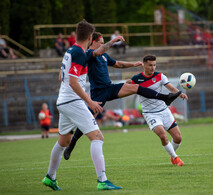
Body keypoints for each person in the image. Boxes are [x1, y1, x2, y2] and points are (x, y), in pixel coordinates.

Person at [63, 32, 182, 160]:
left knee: (136, 88)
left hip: (110, 88)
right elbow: (98, 52)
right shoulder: (89, 54)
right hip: (99, 93)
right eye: (101, 42)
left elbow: (118, 64)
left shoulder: (104, 55)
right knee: (88, 119)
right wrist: (113, 41)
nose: (103, 45)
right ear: (93, 42)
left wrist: (133, 64)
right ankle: (72, 144)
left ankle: (165, 98)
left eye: (104, 42)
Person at [42, 20, 122, 191]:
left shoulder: (72, 51)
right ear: (89, 37)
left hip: (62, 101)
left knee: (64, 141)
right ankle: (102, 180)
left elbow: (61, 77)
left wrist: (112, 42)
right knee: (97, 137)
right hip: (73, 101)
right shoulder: (79, 53)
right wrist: (89, 101)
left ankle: (50, 177)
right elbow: (72, 82)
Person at [127, 54, 188, 166]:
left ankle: (172, 156)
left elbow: (170, 87)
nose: (153, 67)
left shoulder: (160, 76)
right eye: (150, 65)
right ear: (144, 65)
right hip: (150, 114)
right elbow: (127, 87)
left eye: (154, 65)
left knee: (178, 138)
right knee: (163, 135)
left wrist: (179, 94)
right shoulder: (136, 79)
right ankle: (176, 158)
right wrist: (126, 84)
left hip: (164, 111)